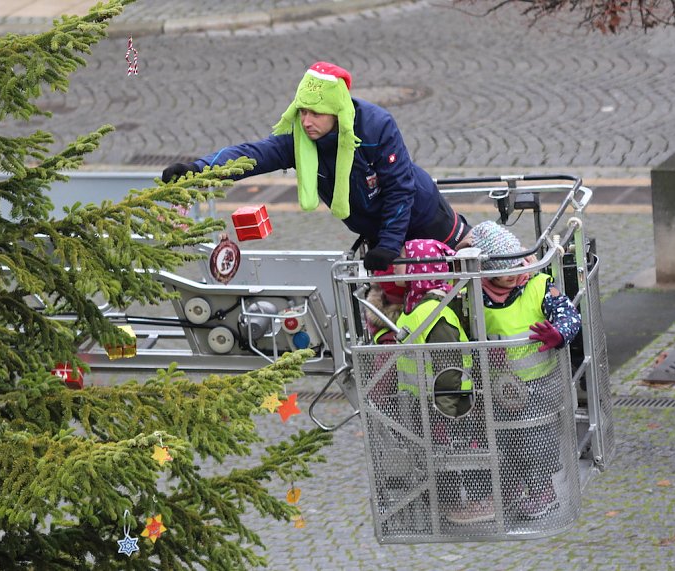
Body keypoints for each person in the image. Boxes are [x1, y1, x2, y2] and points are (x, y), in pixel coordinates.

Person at [161, 61, 470, 271]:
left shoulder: (376, 126)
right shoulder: (302, 137)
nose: (306, 122)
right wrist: (199, 169)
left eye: (316, 114)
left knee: (448, 290)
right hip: (378, 232)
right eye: (302, 111)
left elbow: (400, 189)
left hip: (427, 219)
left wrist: (389, 245)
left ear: (336, 111)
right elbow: (254, 153)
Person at [365, 239, 494, 525]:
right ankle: (458, 503)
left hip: (438, 405)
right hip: (437, 405)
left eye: (404, 263)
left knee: (452, 456)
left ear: (418, 270)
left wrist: (446, 408)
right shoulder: (427, 308)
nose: (399, 270)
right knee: (447, 456)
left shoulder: (428, 311)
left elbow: (446, 364)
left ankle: (473, 502)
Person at [462, 220, 582, 520]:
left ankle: (544, 493)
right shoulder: (474, 293)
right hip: (497, 388)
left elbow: (570, 315)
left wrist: (559, 333)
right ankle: (512, 486)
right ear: (488, 272)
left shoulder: (539, 285)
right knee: (503, 440)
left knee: (535, 442)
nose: (516, 276)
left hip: (538, 384)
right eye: (506, 274)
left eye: (518, 267)